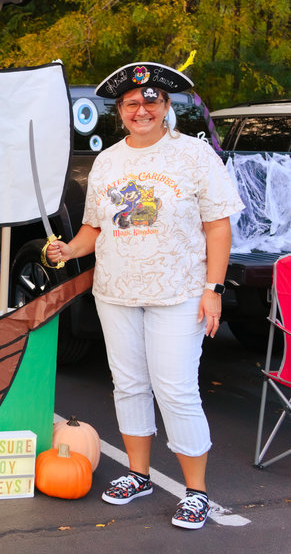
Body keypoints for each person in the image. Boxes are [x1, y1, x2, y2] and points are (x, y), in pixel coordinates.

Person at [46, 62, 244, 530]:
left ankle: (196, 491)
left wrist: (212, 290)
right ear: (120, 110)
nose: (142, 109)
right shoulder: (108, 161)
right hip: (115, 290)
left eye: (151, 100)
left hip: (178, 291)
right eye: (132, 103)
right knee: (129, 384)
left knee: (175, 388)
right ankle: (139, 474)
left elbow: (218, 226)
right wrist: (67, 249)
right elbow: (96, 225)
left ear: (166, 106)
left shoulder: (195, 157)